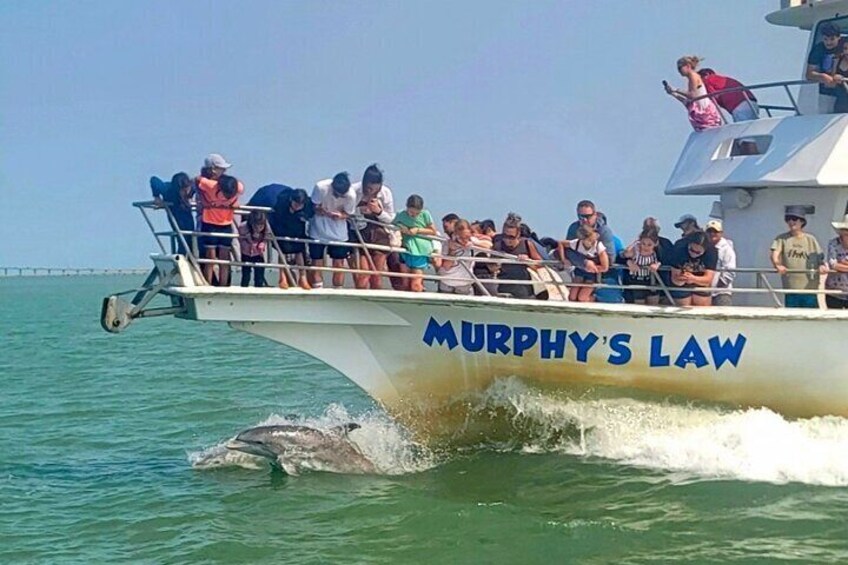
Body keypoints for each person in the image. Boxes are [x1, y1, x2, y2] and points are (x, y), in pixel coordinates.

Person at [770, 206, 826, 308]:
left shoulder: (811, 239)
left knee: (810, 319)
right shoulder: (781, 239)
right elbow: (775, 254)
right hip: (791, 289)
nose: (791, 222)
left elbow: (820, 258)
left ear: (802, 221)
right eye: (788, 219)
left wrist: (822, 266)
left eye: (794, 219)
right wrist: (778, 265)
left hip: (809, 289)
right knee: (792, 318)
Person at [309, 172, 358, 289]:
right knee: (317, 261)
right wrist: (325, 212)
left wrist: (341, 215)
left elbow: (349, 213)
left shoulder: (351, 195)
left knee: (339, 262)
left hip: (339, 232)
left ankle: (338, 288)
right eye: (336, 194)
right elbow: (314, 206)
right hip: (318, 229)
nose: (339, 197)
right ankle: (317, 287)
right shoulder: (321, 187)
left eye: (342, 195)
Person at [350, 164, 396, 290]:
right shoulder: (353, 190)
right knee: (363, 276)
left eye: (375, 190)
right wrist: (359, 210)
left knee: (376, 276)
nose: (371, 192)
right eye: (369, 188)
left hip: (379, 233)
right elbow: (346, 212)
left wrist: (378, 212)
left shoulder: (386, 193)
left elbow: (392, 219)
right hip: (359, 233)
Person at [196, 172, 243, 286]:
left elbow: (239, 192)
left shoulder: (238, 187)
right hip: (209, 223)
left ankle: (223, 285)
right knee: (210, 257)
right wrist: (203, 199)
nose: (227, 198)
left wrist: (235, 202)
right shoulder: (211, 185)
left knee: (224, 258)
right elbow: (196, 180)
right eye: (225, 194)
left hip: (226, 224)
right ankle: (207, 284)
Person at [270, 187, 313, 289]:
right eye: (296, 204)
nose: (298, 206)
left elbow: (310, 214)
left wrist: (301, 215)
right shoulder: (282, 202)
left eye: (300, 205)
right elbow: (276, 217)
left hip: (298, 225)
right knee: (282, 250)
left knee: (299, 250)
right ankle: (282, 278)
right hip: (282, 225)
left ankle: (303, 278)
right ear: (291, 200)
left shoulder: (307, 205)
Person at [664, 55, 722, 131]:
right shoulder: (691, 78)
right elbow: (688, 101)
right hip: (701, 114)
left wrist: (676, 90)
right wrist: (673, 93)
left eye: (680, 68)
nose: (678, 71)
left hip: (706, 113)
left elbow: (693, 95)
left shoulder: (693, 76)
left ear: (688, 66)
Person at [393, 194, 438, 292]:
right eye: (411, 212)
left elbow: (433, 231)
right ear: (407, 207)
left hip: (420, 251)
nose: (413, 215)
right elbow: (393, 224)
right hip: (405, 250)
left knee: (416, 284)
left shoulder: (425, 214)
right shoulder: (400, 214)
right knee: (405, 284)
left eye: (416, 213)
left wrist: (417, 230)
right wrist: (400, 226)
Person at [493, 213, 543, 299]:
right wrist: (497, 263)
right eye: (504, 236)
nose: (507, 240)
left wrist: (528, 261)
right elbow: (491, 267)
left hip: (524, 289)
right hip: (504, 288)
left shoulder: (527, 244)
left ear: (518, 234)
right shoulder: (498, 245)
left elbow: (540, 265)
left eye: (511, 237)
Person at [558, 224, 609, 302]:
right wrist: (563, 259)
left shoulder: (598, 246)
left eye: (593, 239)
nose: (592, 242)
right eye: (589, 240)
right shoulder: (577, 243)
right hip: (579, 271)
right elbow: (561, 243)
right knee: (572, 297)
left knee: (582, 298)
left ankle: (595, 300)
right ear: (582, 239)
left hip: (592, 274)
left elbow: (605, 267)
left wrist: (594, 269)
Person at [150, 172, 194, 254]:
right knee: (181, 238)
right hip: (175, 214)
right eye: (183, 190)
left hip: (187, 215)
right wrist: (156, 197)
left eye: (187, 188)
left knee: (191, 238)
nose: (186, 192)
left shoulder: (192, 187)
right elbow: (154, 180)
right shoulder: (167, 189)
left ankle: (191, 257)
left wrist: (193, 198)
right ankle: (182, 255)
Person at [669, 232, 718, 306]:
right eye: (691, 250)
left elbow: (708, 280)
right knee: (683, 305)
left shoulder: (712, 251)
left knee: (702, 307)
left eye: (698, 252)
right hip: (682, 282)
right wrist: (682, 278)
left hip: (701, 281)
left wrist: (693, 278)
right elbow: (675, 280)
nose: (694, 254)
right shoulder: (679, 248)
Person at [806, 22, 843, 114]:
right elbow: (809, 74)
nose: (828, 42)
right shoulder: (818, 49)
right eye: (825, 39)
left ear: (839, 37)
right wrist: (823, 77)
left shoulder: (845, 45)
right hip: (827, 92)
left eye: (832, 39)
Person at [621, 227, 662, 305]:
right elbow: (626, 254)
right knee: (639, 304)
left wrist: (657, 265)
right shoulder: (635, 251)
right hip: (637, 281)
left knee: (653, 305)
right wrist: (630, 262)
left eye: (649, 245)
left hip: (651, 281)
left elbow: (662, 261)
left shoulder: (657, 252)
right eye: (643, 244)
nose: (646, 247)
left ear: (655, 244)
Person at [436, 219, 476, 295]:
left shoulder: (472, 242)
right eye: (461, 237)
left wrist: (474, 243)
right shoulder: (447, 244)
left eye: (467, 237)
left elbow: (489, 245)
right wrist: (452, 251)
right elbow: (446, 266)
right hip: (447, 281)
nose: (464, 240)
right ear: (456, 234)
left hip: (464, 283)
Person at [705, 220, 736, 306]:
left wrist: (717, 285)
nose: (712, 234)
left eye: (715, 231)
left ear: (721, 233)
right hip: (705, 292)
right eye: (709, 231)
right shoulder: (703, 247)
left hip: (721, 293)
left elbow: (730, 271)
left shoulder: (727, 249)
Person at [238, 210, 268, 287]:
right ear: (251, 223)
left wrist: (263, 243)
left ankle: (259, 291)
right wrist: (249, 241)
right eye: (256, 226)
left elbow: (267, 237)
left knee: (259, 276)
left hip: (258, 254)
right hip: (246, 253)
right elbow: (240, 241)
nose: (258, 228)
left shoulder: (267, 227)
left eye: (261, 226)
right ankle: (243, 291)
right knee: (246, 276)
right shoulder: (243, 227)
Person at [824, 214, 848, 309]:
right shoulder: (833, 243)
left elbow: (836, 264)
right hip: (834, 292)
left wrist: (841, 264)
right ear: (841, 232)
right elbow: (833, 265)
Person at [831, 37, 848, 113]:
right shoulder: (837, 59)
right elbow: (832, 75)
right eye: (845, 48)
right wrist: (835, 77)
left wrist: (844, 79)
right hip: (840, 95)